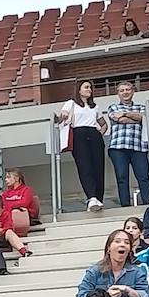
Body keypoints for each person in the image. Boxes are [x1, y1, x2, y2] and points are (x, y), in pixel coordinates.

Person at [56, 80, 107, 212]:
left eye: (90, 87)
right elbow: (61, 117)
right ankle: (91, 197)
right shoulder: (71, 103)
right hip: (78, 135)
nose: (89, 90)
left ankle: (99, 198)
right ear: (79, 90)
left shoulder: (94, 106)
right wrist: (63, 116)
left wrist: (100, 133)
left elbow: (103, 124)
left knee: (98, 167)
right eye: (86, 87)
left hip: (93, 134)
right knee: (84, 167)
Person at [105, 81, 149, 207]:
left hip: (139, 147)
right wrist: (135, 119)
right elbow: (118, 119)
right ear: (118, 93)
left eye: (128, 89)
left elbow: (145, 117)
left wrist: (126, 114)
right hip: (118, 147)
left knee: (143, 176)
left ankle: (148, 203)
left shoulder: (142, 107)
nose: (125, 92)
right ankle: (125, 205)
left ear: (133, 91)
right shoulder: (113, 107)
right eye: (122, 90)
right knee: (122, 177)